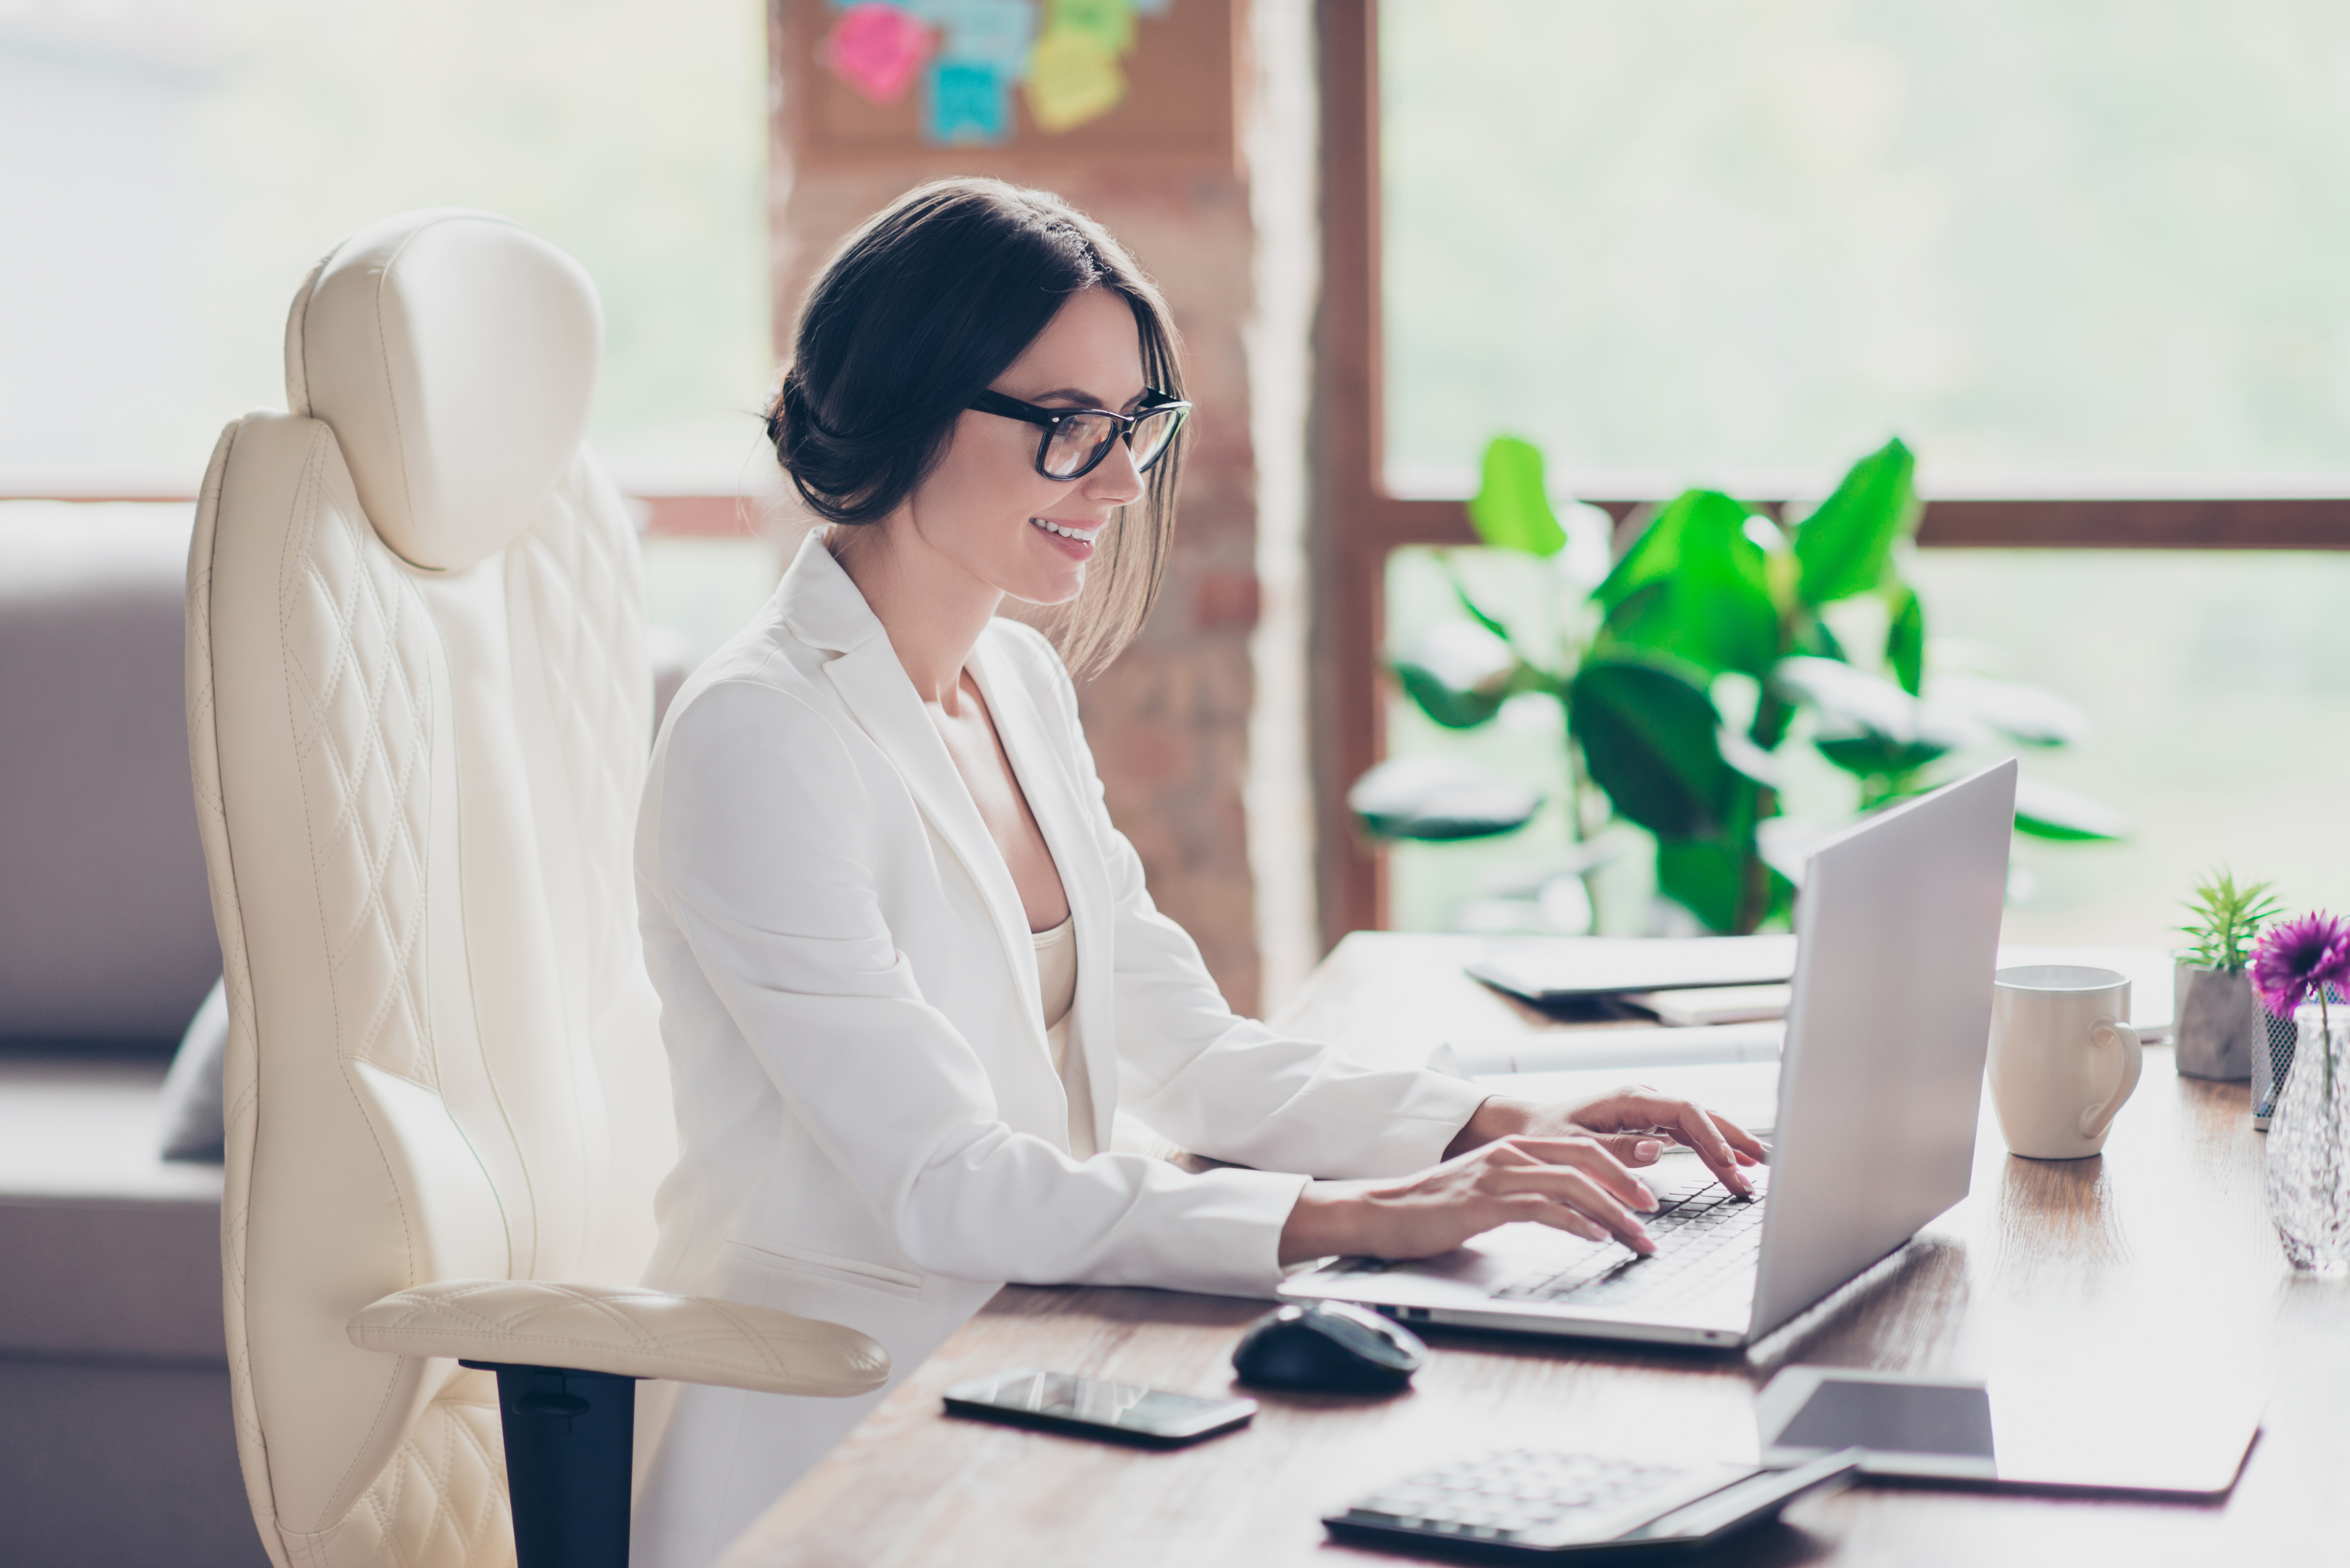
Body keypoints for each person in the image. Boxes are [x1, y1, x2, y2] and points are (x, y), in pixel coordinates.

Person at [627, 178, 1765, 1566]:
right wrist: (1360, 1219)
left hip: (1033, 1364)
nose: (1116, 485)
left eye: (1132, 431)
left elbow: (1193, 1054)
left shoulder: (1012, 681)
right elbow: (943, 1182)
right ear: (910, 397)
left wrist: (1483, 1123)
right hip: (842, 1429)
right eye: (1064, 429)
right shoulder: (762, 733)